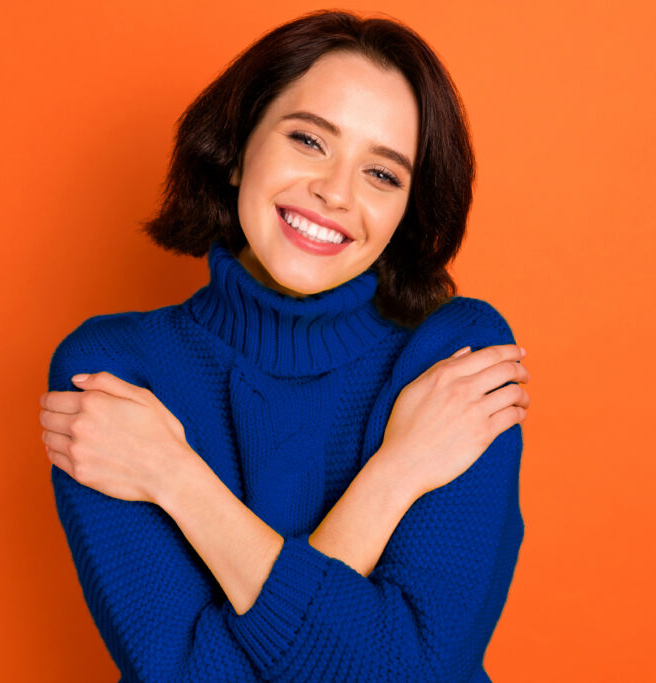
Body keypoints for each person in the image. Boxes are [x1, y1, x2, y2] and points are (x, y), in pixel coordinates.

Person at [38, 9, 530, 682]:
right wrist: (397, 472)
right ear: (239, 149)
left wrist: (176, 478)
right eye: (309, 140)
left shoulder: (457, 359)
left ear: (407, 211)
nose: (335, 192)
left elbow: (416, 669)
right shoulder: (116, 374)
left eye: (382, 174)